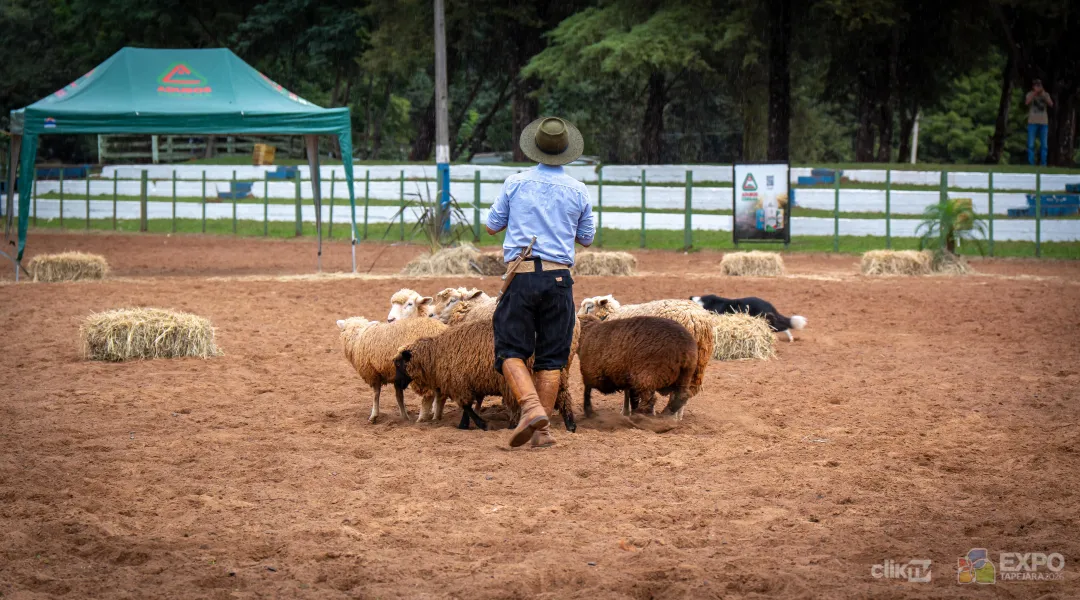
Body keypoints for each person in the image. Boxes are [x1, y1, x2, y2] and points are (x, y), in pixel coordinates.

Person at [485, 116, 595, 448]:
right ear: (566, 152)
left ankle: (531, 408)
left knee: (510, 350)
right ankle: (542, 431)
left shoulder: (515, 183)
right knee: (552, 358)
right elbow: (587, 238)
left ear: (535, 149)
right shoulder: (578, 190)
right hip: (559, 279)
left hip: (521, 277)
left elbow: (492, 225)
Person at [1025, 79, 1054, 166]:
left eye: (1039, 85)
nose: (1037, 87)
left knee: (1044, 145)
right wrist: (1034, 93)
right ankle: (1031, 163)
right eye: (1036, 85)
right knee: (1030, 144)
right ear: (1033, 86)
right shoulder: (1030, 94)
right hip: (1032, 122)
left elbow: (1051, 104)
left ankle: (1043, 164)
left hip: (1043, 123)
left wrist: (1043, 94)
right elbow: (1027, 102)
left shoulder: (1046, 94)